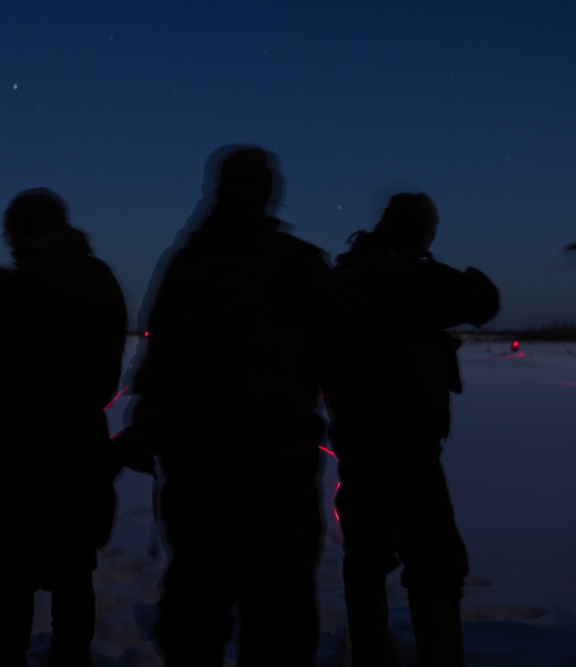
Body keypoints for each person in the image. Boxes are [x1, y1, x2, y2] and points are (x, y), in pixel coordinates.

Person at [118, 146, 376, 667]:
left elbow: (159, 360)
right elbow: (357, 345)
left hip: (195, 468)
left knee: (196, 598)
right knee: (277, 609)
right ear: (268, 193)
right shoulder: (297, 265)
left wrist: (149, 432)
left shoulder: (189, 262)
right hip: (275, 470)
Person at [0, 188, 127, 667]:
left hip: (18, 466)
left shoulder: (11, 292)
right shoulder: (100, 281)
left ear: (19, 233)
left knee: (6, 593)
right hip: (83, 455)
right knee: (73, 577)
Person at [331, 193, 499, 667]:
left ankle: (370, 654)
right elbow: (483, 299)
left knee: (365, 560)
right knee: (436, 566)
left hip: (356, 446)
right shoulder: (397, 277)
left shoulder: (347, 275)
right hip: (402, 450)